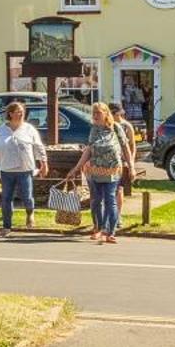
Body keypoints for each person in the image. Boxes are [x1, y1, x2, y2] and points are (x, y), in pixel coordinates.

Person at [69, 102, 132, 244]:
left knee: (110, 200)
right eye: (94, 113)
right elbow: (89, 150)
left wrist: (131, 166)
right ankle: (98, 228)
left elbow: (126, 147)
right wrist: (77, 167)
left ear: (106, 113)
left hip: (112, 170)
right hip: (94, 171)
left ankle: (111, 232)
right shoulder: (94, 129)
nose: (95, 116)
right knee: (96, 201)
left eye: (98, 113)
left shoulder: (116, 128)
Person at [0, 101, 48, 236]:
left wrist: (43, 163)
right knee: (6, 198)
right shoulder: (1, 130)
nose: (20, 114)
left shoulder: (29, 129)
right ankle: (6, 226)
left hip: (25, 169)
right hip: (6, 169)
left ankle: (30, 214)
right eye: (17, 111)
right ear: (10, 114)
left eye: (22, 111)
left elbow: (38, 146)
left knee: (27, 196)